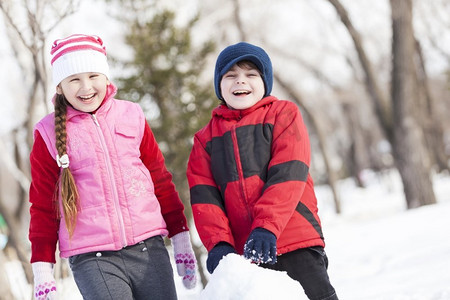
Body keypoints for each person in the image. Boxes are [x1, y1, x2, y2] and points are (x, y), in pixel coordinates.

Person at [29, 34, 197, 300]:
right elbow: (42, 206)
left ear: (106, 77)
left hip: (148, 248)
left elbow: (160, 181)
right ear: (59, 87)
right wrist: (42, 269)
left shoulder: (132, 115)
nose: (86, 87)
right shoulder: (48, 134)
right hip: (92, 259)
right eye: (74, 79)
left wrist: (180, 237)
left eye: (93, 76)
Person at [186, 42, 338, 300]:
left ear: (265, 81)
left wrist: (267, 226)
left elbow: (289, 173)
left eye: (250, 74)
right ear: (219, 86)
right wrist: (219, 243)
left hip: (294, 239)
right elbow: (205, 197)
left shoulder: (283, 114)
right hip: (247, 254)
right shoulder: (205, 139)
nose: (240, 81)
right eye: (230, 76)